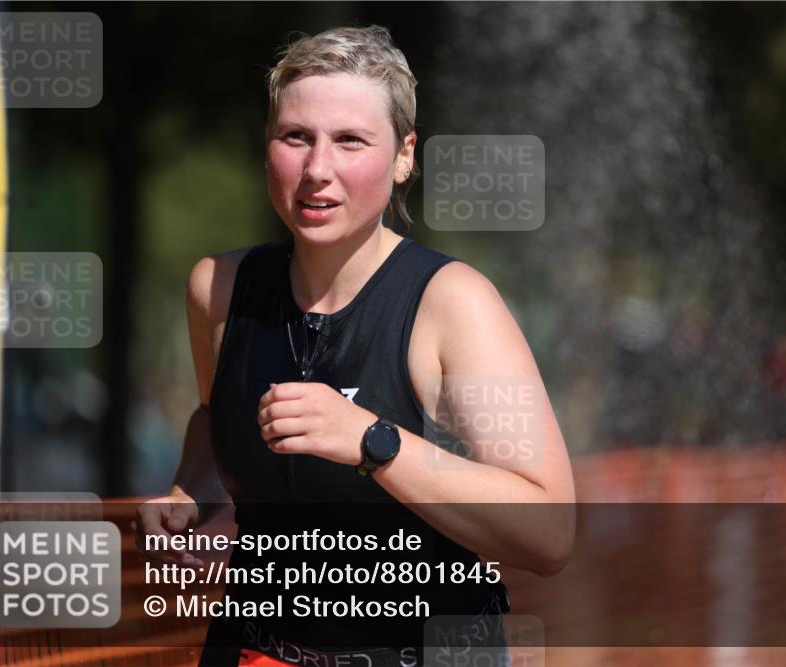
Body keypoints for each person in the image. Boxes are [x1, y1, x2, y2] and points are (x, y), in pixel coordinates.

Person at [135, 25, 576, 666]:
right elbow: (214, 417)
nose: (318, 170)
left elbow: (550, 531)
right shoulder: (219, 290)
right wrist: (187, 497)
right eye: (296, 137)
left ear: (404, 156)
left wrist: (376, 444)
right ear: (269, 147)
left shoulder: (453, 305)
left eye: (350, 141)